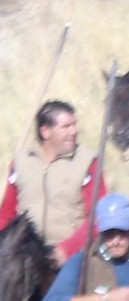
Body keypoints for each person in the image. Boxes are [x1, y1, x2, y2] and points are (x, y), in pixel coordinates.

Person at [0, 100, 109, 262]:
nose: (74, 131)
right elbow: (7, 213)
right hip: (23, 257)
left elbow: (98, 217)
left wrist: (66, 250)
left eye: (74, 125)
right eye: (66, 126)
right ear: (45, 131)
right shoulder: (21, 161)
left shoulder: (88, 163)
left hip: (72, 258)